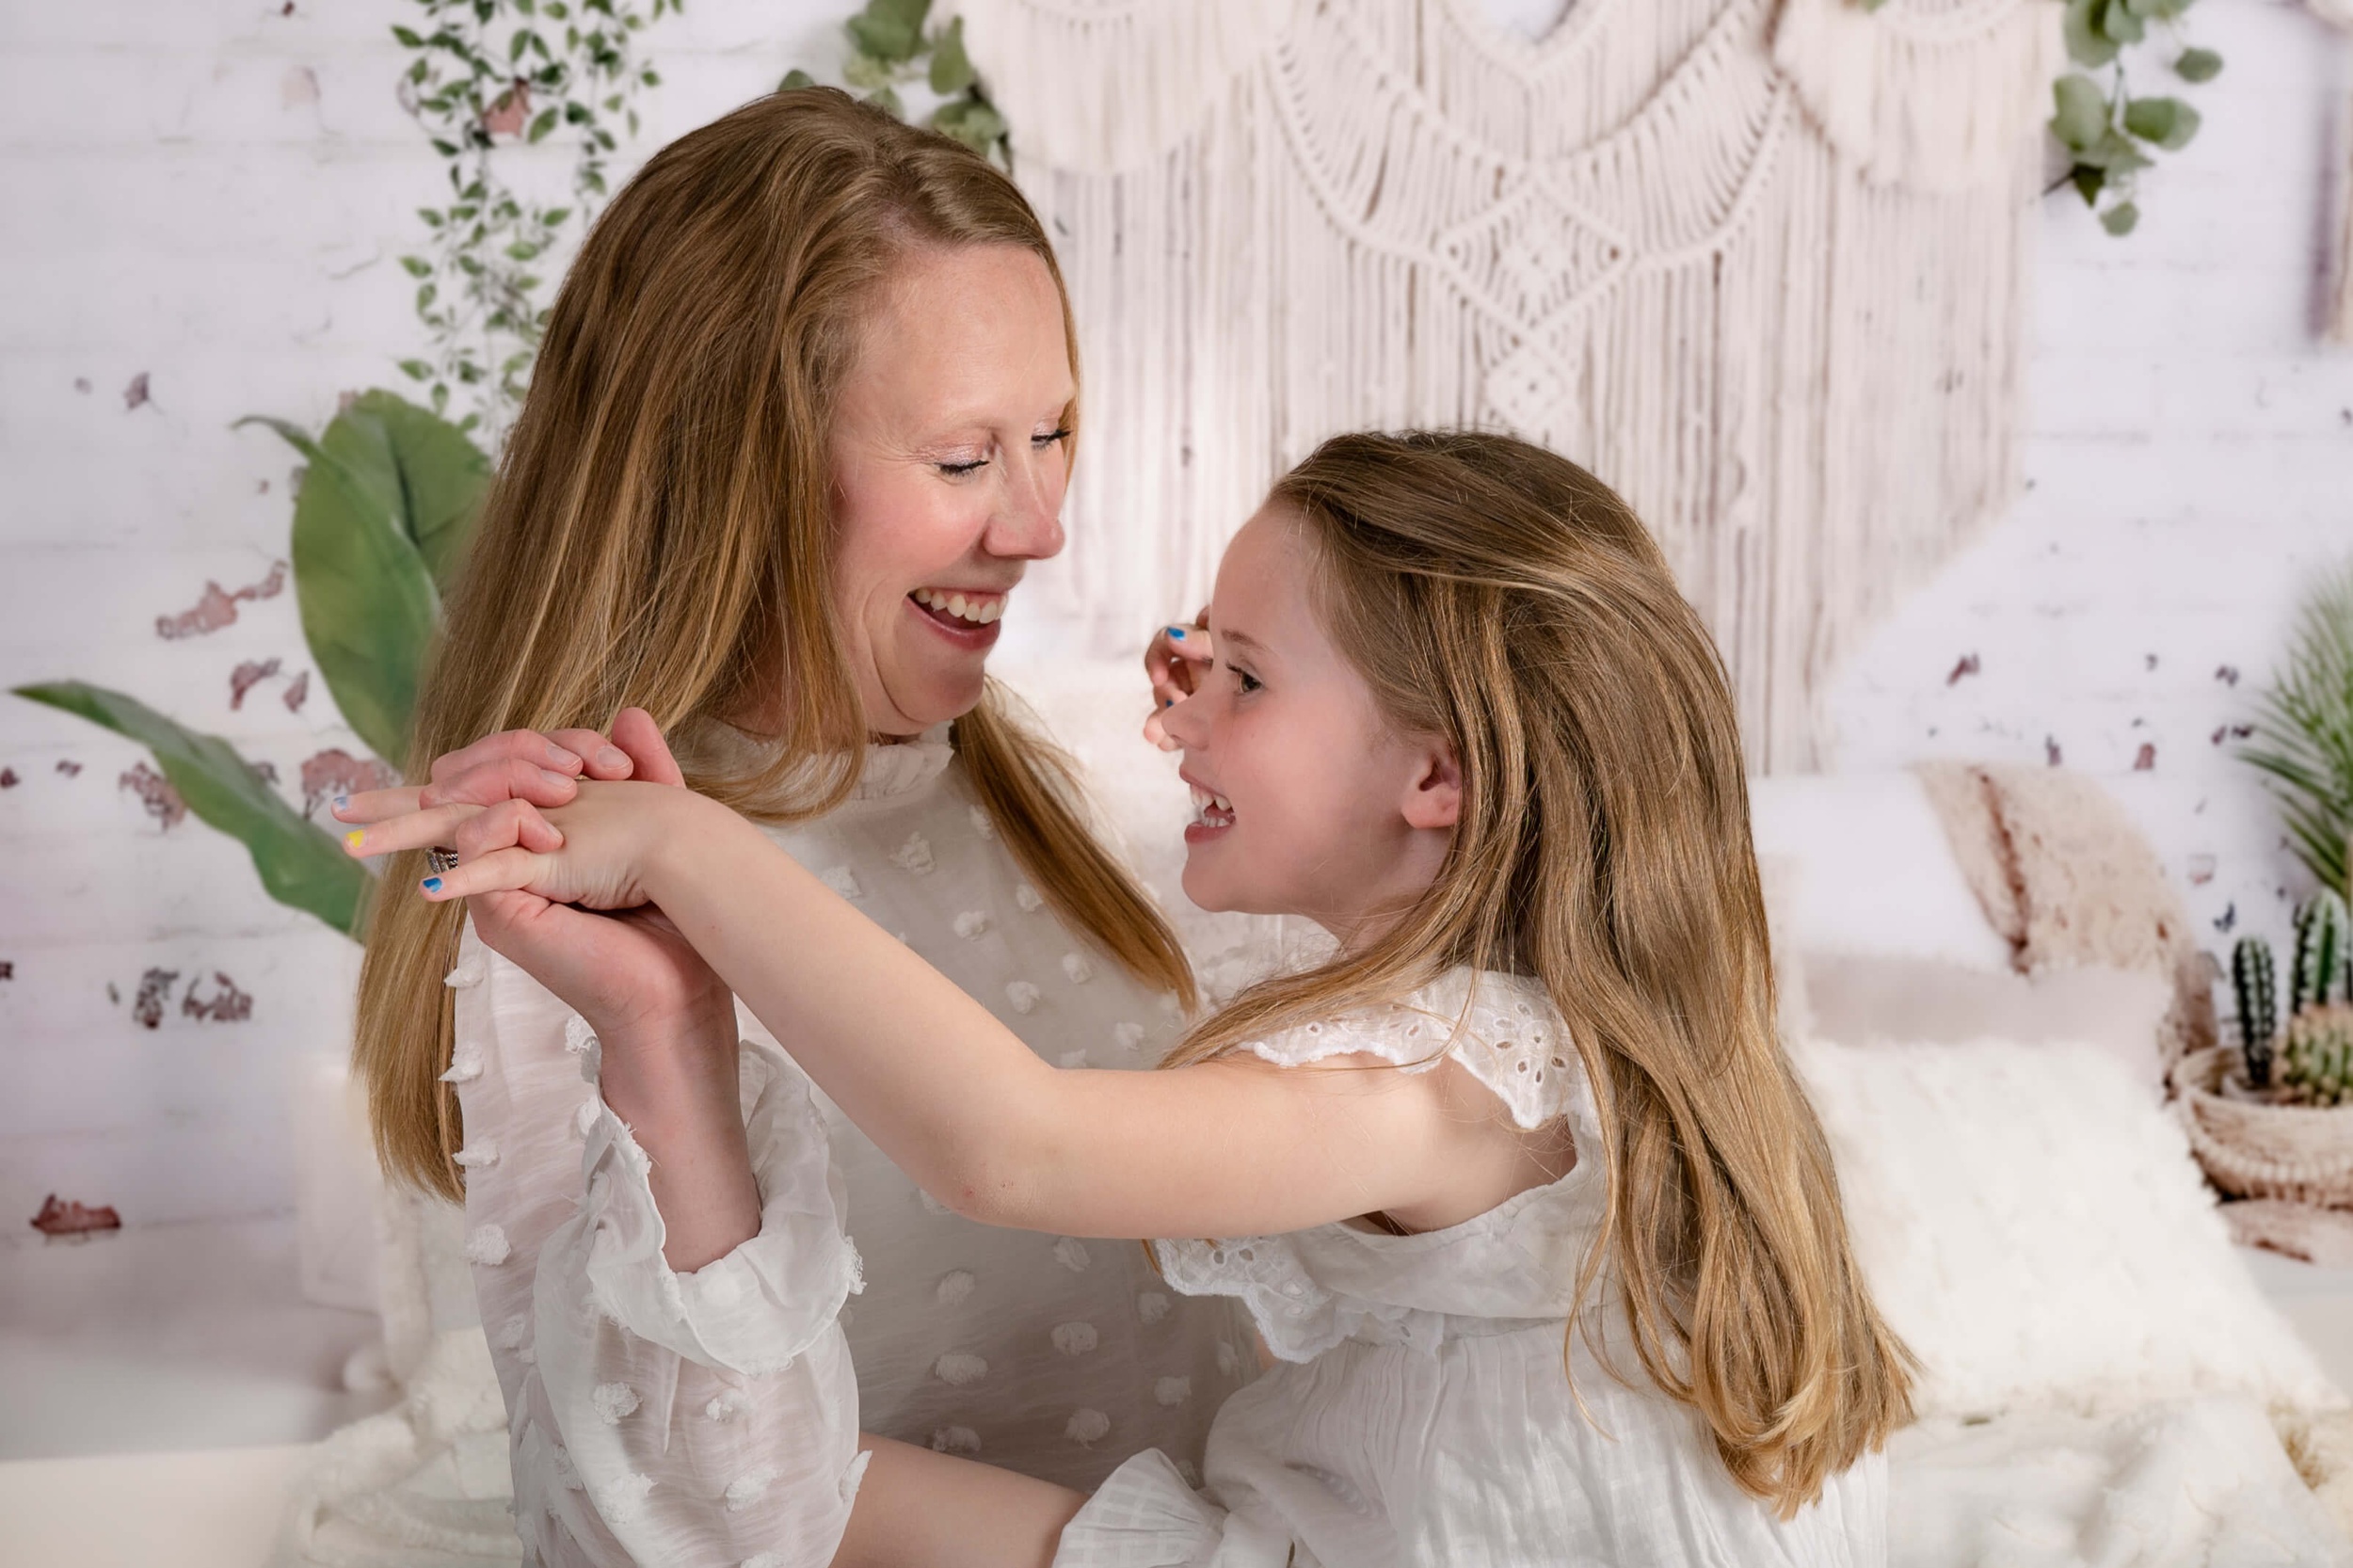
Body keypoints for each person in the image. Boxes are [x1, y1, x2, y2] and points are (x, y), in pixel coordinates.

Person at [355, 429, 1916, 1565]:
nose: (1176, 726)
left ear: (1435, 773)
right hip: (1325, 1531)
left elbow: (1011, 1146)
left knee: (800, 1505)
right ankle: (661, 1073)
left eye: (1239, 673)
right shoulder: (1507, 1025)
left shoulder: (1446, 1078)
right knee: (771, 1492)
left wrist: (692, 847)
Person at [335, 88, 1259, 1565]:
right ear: (737, 480)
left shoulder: (1111, 813)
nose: (1038, 525)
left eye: (1054, 434)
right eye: (965, 460)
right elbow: (663, 1513)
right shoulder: (574, 918)